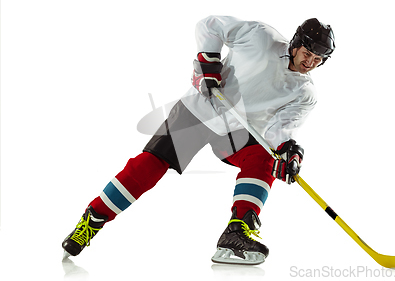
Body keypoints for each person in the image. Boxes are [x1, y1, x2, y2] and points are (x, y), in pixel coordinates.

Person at [62, 15, 335, 265]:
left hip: (236, 133)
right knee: (150, 164)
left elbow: (279, 130)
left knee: (266, 159)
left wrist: (288, 152)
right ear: (296, 44)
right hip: (198, 109)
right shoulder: (260, 36)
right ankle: (93, 219)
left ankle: (237, 231)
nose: (310, 62)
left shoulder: (304, 93)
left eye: (318, 59)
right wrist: (208, 60)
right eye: (308, 53)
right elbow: (209, 25)